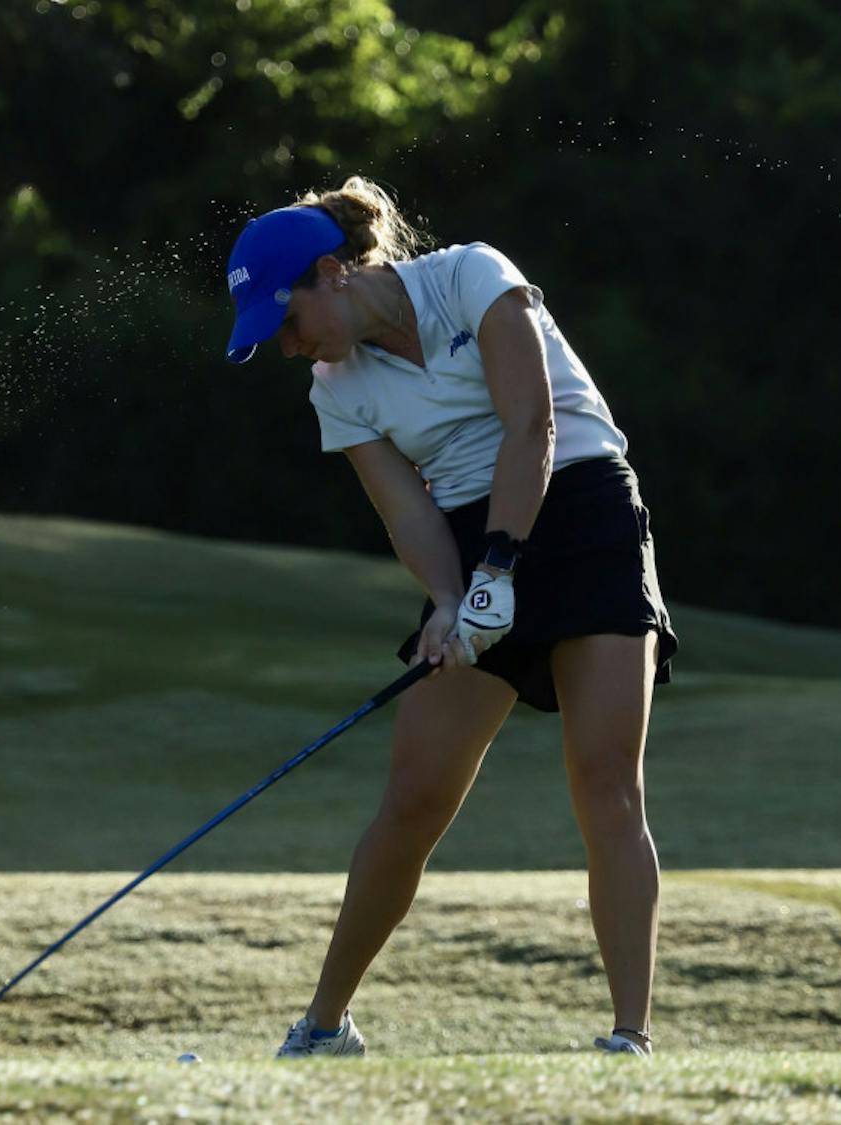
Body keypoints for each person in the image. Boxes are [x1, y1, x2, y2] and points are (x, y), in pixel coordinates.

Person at [223, 176, 678, 1058]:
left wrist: (496, 571)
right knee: (414, 796)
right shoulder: (335, 386)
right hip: (473, 543)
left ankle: (631, 1036)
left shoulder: (472, 276)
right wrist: (448, 599)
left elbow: (533, 427)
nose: (288, 347)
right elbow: (409, 514)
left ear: (331, 273)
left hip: (584, 514)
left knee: (606, 786)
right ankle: (323, 1026)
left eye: (288, 320)